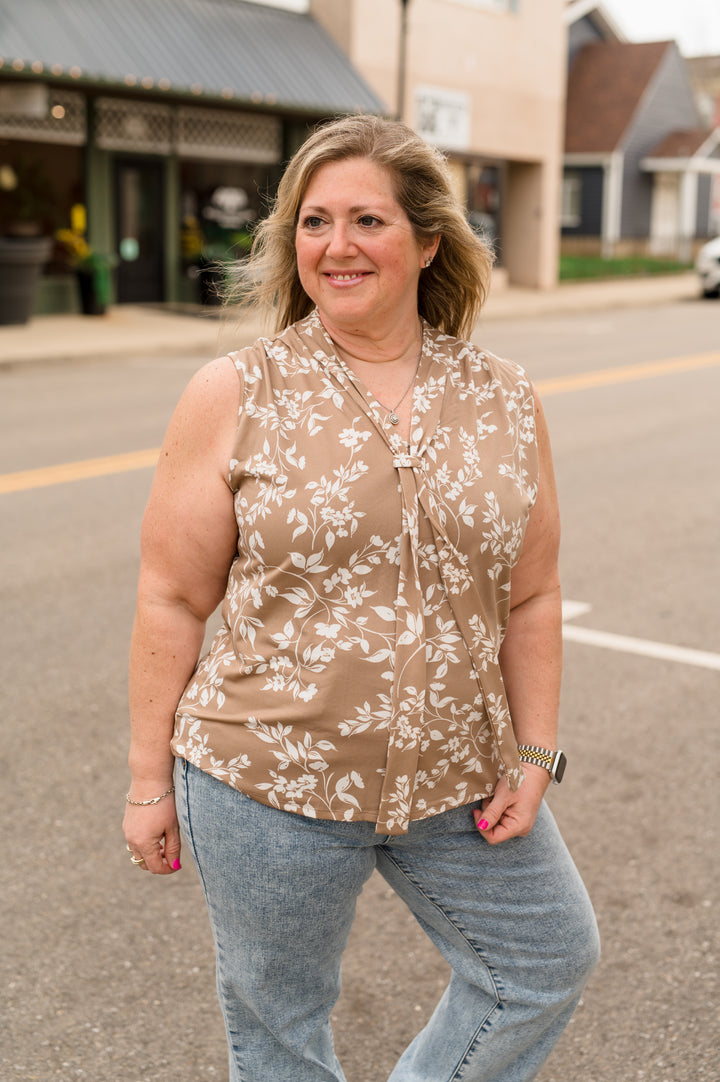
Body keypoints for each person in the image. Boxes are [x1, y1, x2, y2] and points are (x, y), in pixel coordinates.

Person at [123, 114, 599, 1082]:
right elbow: (172, 596)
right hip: (269, 783)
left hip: (459, 775)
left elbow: (533, 593)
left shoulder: (507, 398)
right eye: (313, 221)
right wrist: (145, 782)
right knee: (281, 1028)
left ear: (428, 240)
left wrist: (536, 746)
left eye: (367, 220)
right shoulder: (236, 391)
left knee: (545, 958)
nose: (335, 246)